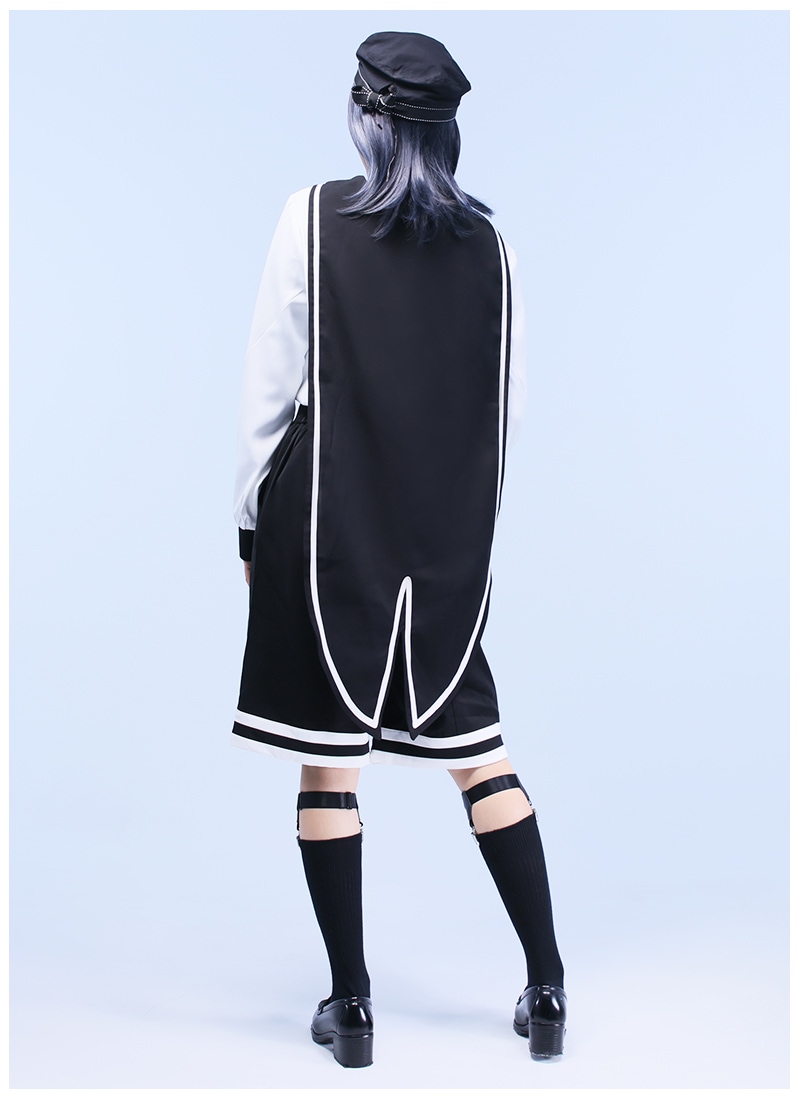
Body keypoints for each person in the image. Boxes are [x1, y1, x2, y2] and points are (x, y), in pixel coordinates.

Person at [231, 30, 566, 1069]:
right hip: (442, 531)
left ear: (365, 118)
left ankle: (352, 1007)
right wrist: (465, 540)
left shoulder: (311, 217)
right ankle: (548, 986)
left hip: (325, 521)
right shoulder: (492, 249)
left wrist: (249, 523)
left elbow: (270, 390)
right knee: (481, 755)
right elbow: (499, 414)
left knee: (328, 763)